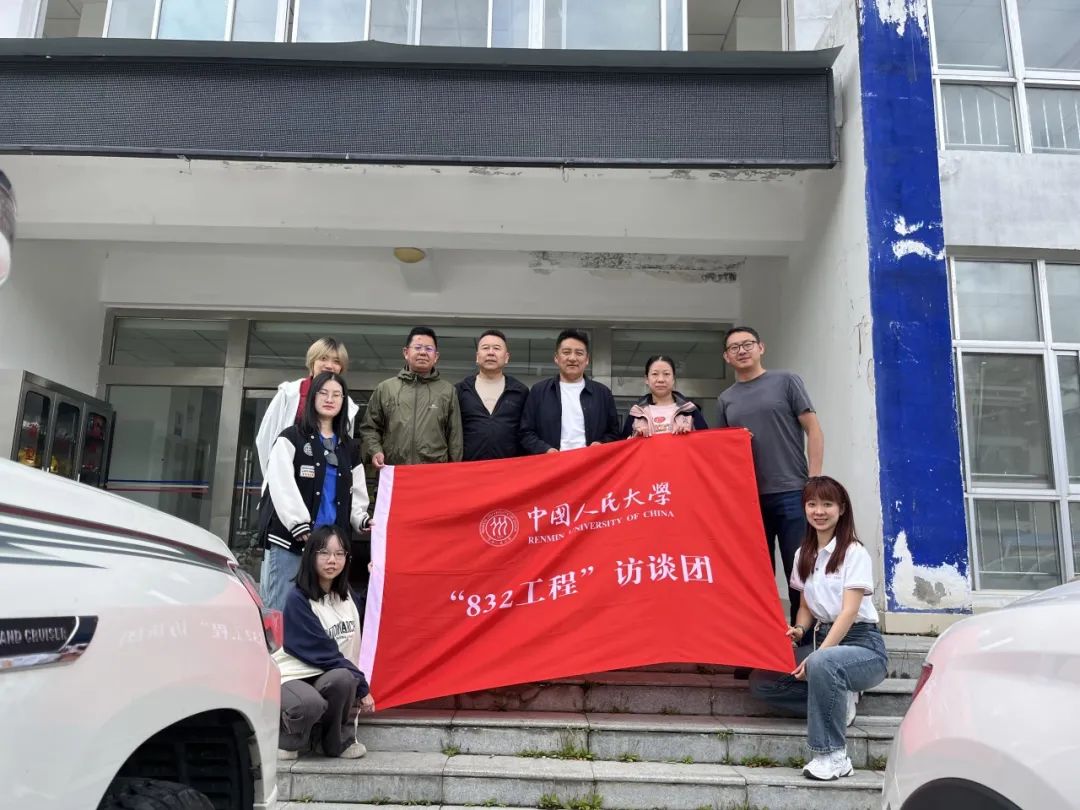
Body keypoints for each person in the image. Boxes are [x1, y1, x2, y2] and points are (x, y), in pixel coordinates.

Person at [748, 476, 887, 781]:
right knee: (762, 681)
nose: (819, 511)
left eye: (827, 504)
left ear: (841, 509)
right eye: (812, 504)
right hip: (820, 638)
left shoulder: (854, 553)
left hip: (862, 645)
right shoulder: (803, 554)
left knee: (824, 662)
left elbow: (849, 612)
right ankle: (840, 699)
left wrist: (818, 655)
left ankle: (833, 756)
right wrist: (799, 630)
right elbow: (806, 606)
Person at [716, 325, 824, 626]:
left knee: (798, 569)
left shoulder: (786, 381)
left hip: (792, 491)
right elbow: (721, 450)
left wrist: (814, 480)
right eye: (734, 347)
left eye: (747, 344)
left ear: (760, 347)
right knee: (757, 573)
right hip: (748, 498)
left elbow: (813, 428)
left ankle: (802, 637)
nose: (741, 350)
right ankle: (763, 638)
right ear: (726, 357)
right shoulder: (725, 399)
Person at [260, 371, 371, 612]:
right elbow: (280, 483)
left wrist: (361, 518)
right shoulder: (291, 437)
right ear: (312, 397)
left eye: (337, 395)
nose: (330, 399)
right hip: (293, 541)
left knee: (324, 614)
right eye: (323, 393)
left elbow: (357, 491)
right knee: (282, 612)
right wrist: (297, 523)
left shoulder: (349, 448)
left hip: (330, 546)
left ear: (343, 401)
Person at [275, 525, 374, 760]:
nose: (332, 560)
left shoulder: (345, 596)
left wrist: (376, 580)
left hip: (326, 674)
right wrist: (363, 686)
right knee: (309, 703)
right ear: (311, 556)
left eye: (339, 554)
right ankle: (289, 738)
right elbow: (324, 652)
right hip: (293, 676)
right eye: (324, 553)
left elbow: (368, 614)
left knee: (343, 679)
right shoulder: (297, 599)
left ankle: (332, 743)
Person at [359, 326, 463, 468]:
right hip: (394, 471)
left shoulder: (447, 391)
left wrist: (454, 470)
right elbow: (369, 428)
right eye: (418, 347)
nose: (423, 353)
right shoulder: (386, 388)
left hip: (434, 473)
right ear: (406, 352)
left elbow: (455, 438)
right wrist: (375, 451)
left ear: (436, 356)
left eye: (429, 349)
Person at [255, 337, 359, 478]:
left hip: (327, 478)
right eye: (323, 358)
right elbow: (265, 438)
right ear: (312, 361)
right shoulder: (289, 393)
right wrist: (274, 476)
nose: (329, 365)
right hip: (288, 474)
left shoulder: (347, 404)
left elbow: (344, 448)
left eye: (336, 361)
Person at [520, 328, 620, 454]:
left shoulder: (603, 394)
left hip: (591, 463)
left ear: (587, 359)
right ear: (556, 358)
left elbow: (614, 433)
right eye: (566, 352)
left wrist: (601, 443)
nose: (572, 358)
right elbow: (525, 433)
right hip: (552, 462)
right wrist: (546, 450)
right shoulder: (539, 392)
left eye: (579, 353)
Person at [455, 329, 529, 461]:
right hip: (468, 467)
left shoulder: (520, 391)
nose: (490, 352)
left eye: (496, 348)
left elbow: (526, 432)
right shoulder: (460, 390)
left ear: (506, 357)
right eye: (485, 348)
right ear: (477, 356)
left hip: (509, 468)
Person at [622, 355, 708, 438]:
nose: (661, 379)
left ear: (673, 379)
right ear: (646, 379)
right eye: (655, 374)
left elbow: (705, 442)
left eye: (666, 374)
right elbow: (624, 445)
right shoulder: (636, 413)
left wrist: (689, 436)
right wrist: (635, 438)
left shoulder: (690, 411)